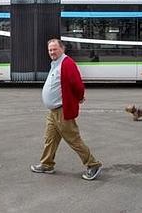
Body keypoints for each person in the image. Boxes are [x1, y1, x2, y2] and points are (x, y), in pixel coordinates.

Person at [30, 38, 103, 181]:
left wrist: (79, 97)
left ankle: (93, 164)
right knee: (50, 139)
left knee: (73, 139)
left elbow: (77, 85)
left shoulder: (67, 63)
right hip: (53, 112)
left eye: (54, 49)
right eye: (50, 50)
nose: (52, 52)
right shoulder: (56, 63)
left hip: (62, 110)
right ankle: (47, 164)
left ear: (62, 49)